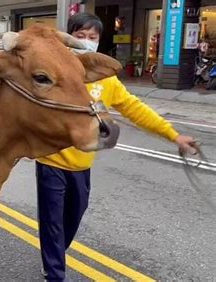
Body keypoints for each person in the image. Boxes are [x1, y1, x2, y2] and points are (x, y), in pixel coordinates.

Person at [36, 12, 197, 282]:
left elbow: (136, 109)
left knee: (72, 218)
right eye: (80, 36)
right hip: (51, 162)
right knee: (52, 223)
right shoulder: (55, 73)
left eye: (92, 38)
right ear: (69, 39)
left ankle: (54, 255)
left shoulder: (106, 80)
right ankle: (54, 273)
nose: (87, 42)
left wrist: (174, 136)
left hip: (82, 165)